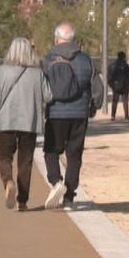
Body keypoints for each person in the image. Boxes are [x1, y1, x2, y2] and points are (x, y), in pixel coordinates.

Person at [0, 37, 51, 211]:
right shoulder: (37, 73)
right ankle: (22, 201)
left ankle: (8, 181)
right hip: (29, 123)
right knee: (25, 161)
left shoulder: (1, 71)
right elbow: (48, 96)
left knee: (4, 157)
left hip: (7, 121)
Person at [40, 22, 94, 210]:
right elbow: (94, 86)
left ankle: (56, 182)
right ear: (73, 39)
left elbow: (43, 87)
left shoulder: (48, 60)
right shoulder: (85, 60)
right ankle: (69, 197)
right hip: (80, 113)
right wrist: (92, 106)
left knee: (51, 151)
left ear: (56, 39)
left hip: (56, 113)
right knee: (74, 155)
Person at [107, 50, 129, 120]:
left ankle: (113, 116)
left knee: (114, 101)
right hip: (125, 87)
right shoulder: (126, 65)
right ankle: (126, 116)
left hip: (116, 86)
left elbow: (109, 77)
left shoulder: (112, 65)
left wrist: (112, 85)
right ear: (124, 57)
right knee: (125, 101)